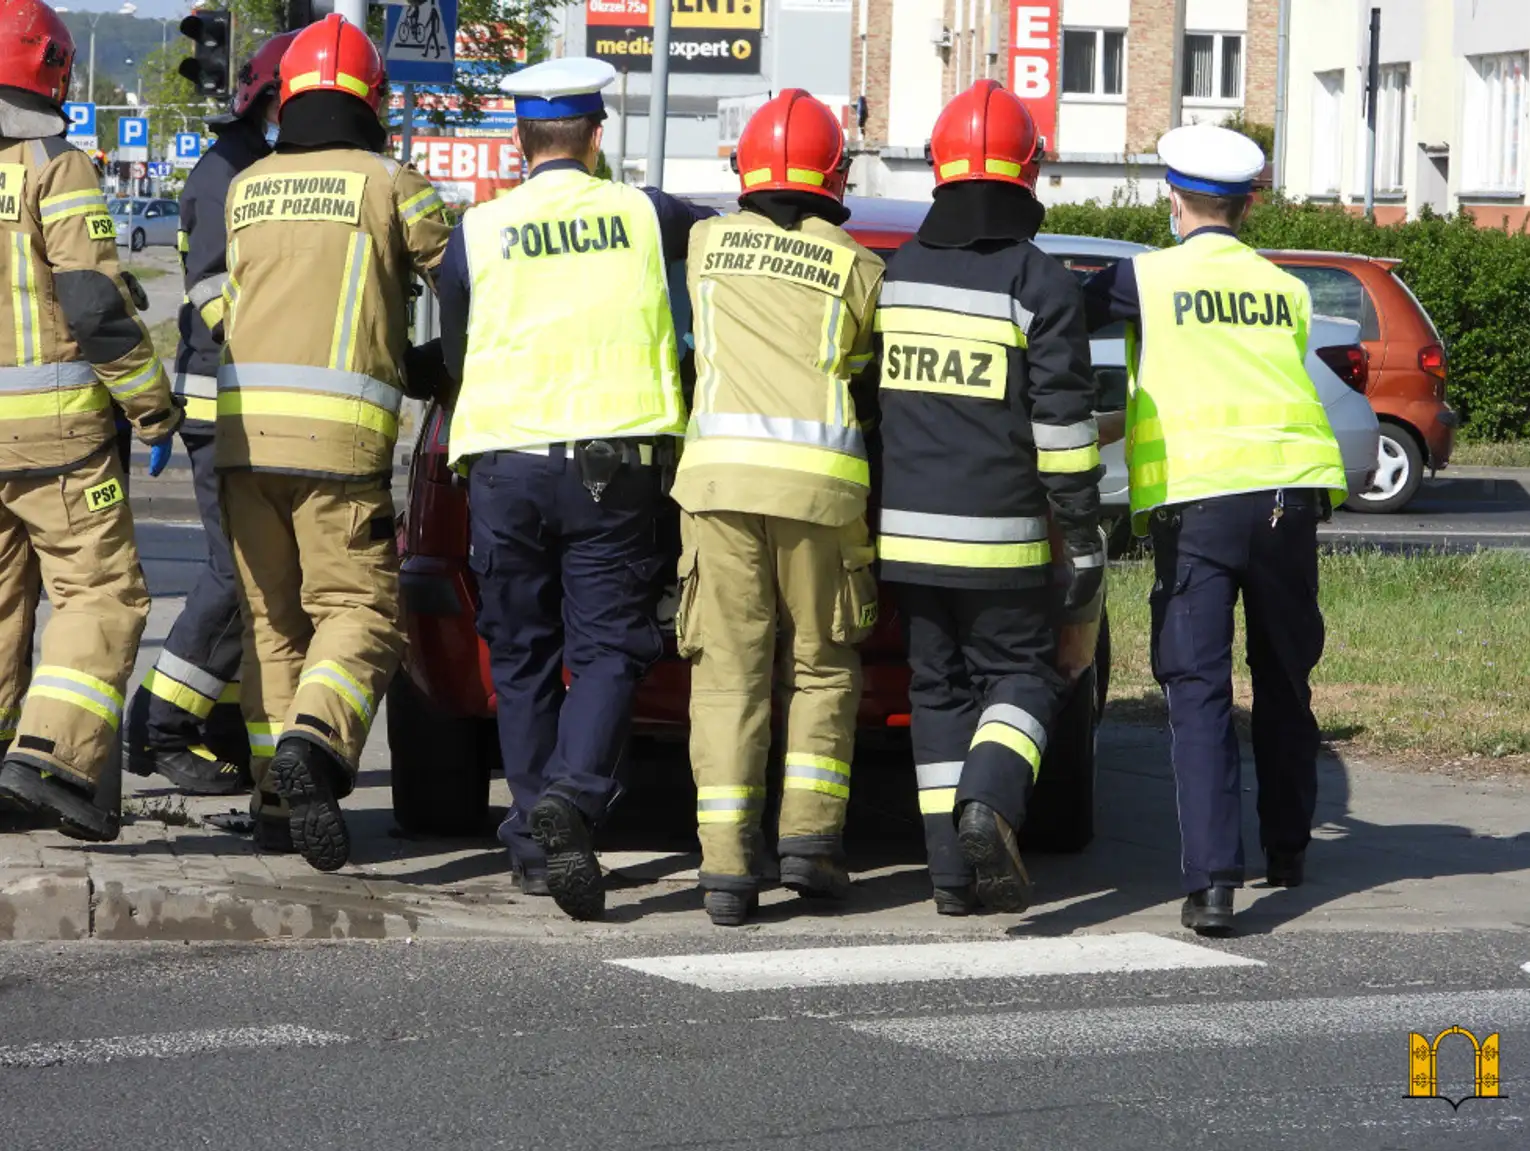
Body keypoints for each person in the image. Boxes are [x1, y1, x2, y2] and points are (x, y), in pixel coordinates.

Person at [437, 57, 711, 921]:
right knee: (611, 648)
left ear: (520, 141)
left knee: (519, 654)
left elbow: (452, 357)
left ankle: (530, 836)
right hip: (612, 471)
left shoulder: (477, 232)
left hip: (504, 469)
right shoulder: (644, 212)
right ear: (599, 136)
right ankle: (575, 796)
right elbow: (730, 250)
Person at [1081, 123, 1347, 935]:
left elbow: (1065, 308)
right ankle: (1290, 849)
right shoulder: (1286, 289)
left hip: (1201, 505)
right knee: (1283, 675)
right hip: (1288, 500)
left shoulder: (1146, 281)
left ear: (1172, 197)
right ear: (1248, 205)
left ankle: (1213, 884)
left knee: (1198, 690)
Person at [216, 13, 451, 870]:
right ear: (373, 101)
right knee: (360, 614)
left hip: (243, 441)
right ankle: (315, 743)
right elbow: (456, 284)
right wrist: (430, 363)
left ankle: (279, 806)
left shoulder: (249, 185)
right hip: (338, 446)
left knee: (273, 625)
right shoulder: (394, 182)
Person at [875, 80, 1103, 916]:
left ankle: (948, 877)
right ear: (1029, 174)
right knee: (1027, 676)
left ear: (939, 171)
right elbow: (1064, 430)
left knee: (935, 691)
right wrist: (1080, 532)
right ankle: (992, 803)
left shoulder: (898, 275)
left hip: (906, 541)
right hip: (1002, 539)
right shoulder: (1037, 281)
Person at [669, 90, 884, 927]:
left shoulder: (705, 244)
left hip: (719, 490)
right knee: (822, 666)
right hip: (823, 495)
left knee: (728, 674)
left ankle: (725, 868)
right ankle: (809, 845)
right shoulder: (860, 267)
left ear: (745, 171)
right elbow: (863, 376)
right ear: (836, 175)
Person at [0, 0, 181, 840]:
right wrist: (150, 405)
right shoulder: (53, 165)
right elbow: (92, 302)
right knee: (99, 592)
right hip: (56, 435)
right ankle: (53, 759)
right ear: (55, 70)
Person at [122, 30, 299, 809]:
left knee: (256, 577)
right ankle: (161, 722)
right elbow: (209, 289)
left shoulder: (243, 165)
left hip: (231, 401)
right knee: (237, 575)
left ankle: (197, 723)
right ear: (270, 101)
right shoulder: (230, 174)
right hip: (216, 403)